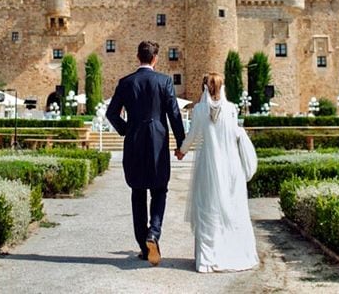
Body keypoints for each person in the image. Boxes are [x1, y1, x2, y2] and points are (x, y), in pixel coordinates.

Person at [106, 40, 185, 266]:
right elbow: (174, 115)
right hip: (158, 142)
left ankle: (143, 246)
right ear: (155, 58)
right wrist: (181, 143)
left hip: (134, 142)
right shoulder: (164, 81)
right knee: (160, 189)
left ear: (138, 57)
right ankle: (154, 233)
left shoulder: (125, 82)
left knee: (138, 192)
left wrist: (126, 129)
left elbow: (111, 114)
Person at [175, 73, 259, 273]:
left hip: (208, 165)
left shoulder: (199, 109)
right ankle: (234, 253)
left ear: (205, 87)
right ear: (222, 87)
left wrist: (181, 152)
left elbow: (192, 136)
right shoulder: (231, 109)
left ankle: (207, 259)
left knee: (207, 208)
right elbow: (235, 134)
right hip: (231, 167)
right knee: (232, 207)